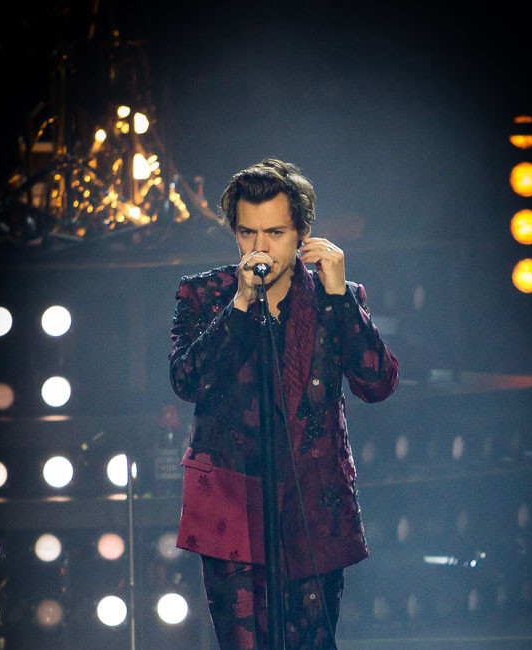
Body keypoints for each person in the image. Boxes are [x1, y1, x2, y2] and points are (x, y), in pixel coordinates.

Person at [169, 158, 399, 649]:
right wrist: (239, 307)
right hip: (232, 504)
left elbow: (377, 383)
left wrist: (340, 297)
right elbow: (186, 380)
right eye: (247, 233)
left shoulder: (335, 298)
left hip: (313, 504)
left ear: (303, 234)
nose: (260, 248)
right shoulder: (205, 295)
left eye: (274, 233)